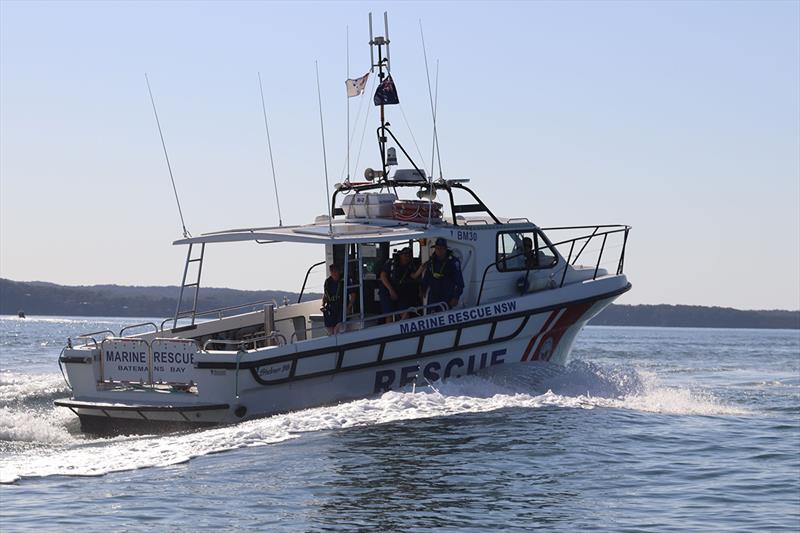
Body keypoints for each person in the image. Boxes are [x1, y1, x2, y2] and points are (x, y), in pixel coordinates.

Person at [418, 237, 464, 310]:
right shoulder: (431, 261)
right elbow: (427, 276)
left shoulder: (453, 262)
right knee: (430, 315)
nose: (439, 250)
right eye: (437, 248)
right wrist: (423, 288)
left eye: (441, 248)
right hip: (433, 295)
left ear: (445, 249)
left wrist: (456, 297)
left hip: (446, 295)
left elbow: (459, 282)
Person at [378, 247, 421, 322]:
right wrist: (391, 290)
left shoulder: (410, 266)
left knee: (405, 314)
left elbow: (413, 276)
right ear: (400, 255)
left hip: (400, 292)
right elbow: (382, 276)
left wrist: (422, 268)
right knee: (389, 315)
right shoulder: (391, 263)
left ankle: (402, 331)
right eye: (405, 255)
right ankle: (390, 332)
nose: (407, 257)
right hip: (387, 291)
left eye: (409, 255)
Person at [321, 264, 355, 335]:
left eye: (335, 271)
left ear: (339, 271)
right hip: (331, 308)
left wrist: (349, 307)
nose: (334, 273)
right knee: (330, 330)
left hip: (342, 307)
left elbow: (353, 295)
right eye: (332, 271)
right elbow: (325, 296)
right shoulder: (328, 282)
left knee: (337, 329)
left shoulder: (345, 280)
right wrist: (323, 305)